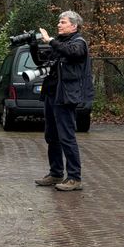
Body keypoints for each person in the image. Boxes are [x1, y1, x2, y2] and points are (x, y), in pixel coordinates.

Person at [30, 11, 93, 192]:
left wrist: (50, 40)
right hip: (52, 94)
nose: (59, 24)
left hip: (66, 96)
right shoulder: (60, 43)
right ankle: (56, 173)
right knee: (51, 136)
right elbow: (41, 61)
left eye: (63, 22)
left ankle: (74, 177)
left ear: (74, 26)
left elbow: (72, 53)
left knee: (66, 137)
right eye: (59, 21)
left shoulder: (78, 43)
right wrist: (33, 45)